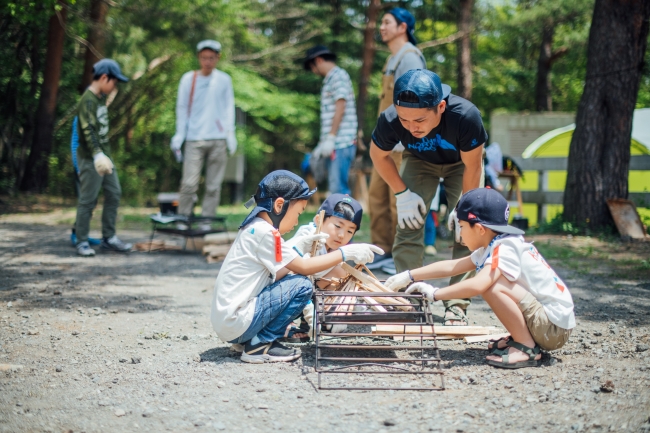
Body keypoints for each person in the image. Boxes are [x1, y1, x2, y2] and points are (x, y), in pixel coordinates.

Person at [385, 188, 575, 368]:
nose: (459, 233)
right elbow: (453, 266)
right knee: (494, 282)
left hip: (553, 329)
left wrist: (435, 294)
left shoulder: (505, 247)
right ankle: (521, 337)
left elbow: (478, 284)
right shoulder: (495, 244)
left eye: (461, 227)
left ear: (480, 229)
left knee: (492, 285)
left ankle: (526, 347)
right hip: (549, 323)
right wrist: (409, 275)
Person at [210, 170, 382, 363]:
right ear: (279, 206)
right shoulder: (266, 233)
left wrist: (299, 249)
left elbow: (278, 275)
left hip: (230, 323)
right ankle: (260, 345)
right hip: (236, 321)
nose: (298, 221)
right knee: (302, 285)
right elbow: (305, 268)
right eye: (298, 213)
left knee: (295, 281)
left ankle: (252, 339)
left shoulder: (255, 227)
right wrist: (344, 253)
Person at [369, 68, 486, 325]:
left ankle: (456, 304)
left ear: (440, 107)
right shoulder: (389, 119)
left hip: (462, 166)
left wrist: (465, 206)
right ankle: (409, 301)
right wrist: (402, 194)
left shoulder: (465, 116)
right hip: (420, 161)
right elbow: (378, 156)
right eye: (404, 120)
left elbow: (473, 166)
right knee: (408, 224)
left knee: (467, 231)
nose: (411, 128)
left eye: (419, 120)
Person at [367, 7, 427, 271]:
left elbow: (414, 101)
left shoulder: (410, 58)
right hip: (386, 141)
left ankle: (400, 257)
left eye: (387, 22)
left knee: (397, 199)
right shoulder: (392, 58)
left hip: (403, 143)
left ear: (403, 27)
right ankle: (381, 251)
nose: (381, 26)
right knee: (377, 197)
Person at [280, 193, 365, 343]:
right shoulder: (308, 238)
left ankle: (314, 319)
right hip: (279, 287)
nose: (341, 235)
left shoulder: (332, 246)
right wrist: (311, 315)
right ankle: (283, 324)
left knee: (340, 275)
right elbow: (296, 275)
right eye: (338, 226)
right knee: (329, 274)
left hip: (304, 287)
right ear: (319, 220)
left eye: (350, 231)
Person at [170, 40, 237, 228]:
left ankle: (206, 220)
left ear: (218, 58)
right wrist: (179, 134)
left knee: (213, 185)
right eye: (204, 58)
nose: (207, 61)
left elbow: (228, 107)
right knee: (189, 184)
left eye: (211, 58)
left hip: (218, 138)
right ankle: (183, 218)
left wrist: (230, 133)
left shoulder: (224, 80)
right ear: (199, 58)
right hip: (194, 138)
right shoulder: (188, 79)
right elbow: (181, 107)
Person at [74, 59, 132, 257]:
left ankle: (109, 237)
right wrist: (97, 153)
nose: (114, 86)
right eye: (114, 82)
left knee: (114, 192)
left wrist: (104, 154)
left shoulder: (99, 98)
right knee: (88, 199)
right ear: (104, 77)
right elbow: (87, 129)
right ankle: (81, 241)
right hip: (92, 157)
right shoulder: (88, 99)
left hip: (104, 156)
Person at [304, 45, 358, 195]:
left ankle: (343, 219)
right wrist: (323, 143)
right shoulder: (330, 79)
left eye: (312, 67)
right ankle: (337, 218)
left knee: (338, 188)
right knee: (335, 187)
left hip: (341, 142)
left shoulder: (338, 76)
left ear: (319, 60)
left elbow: (341, 105)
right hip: (335, 142)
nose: (314, 72)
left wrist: (332, 137)